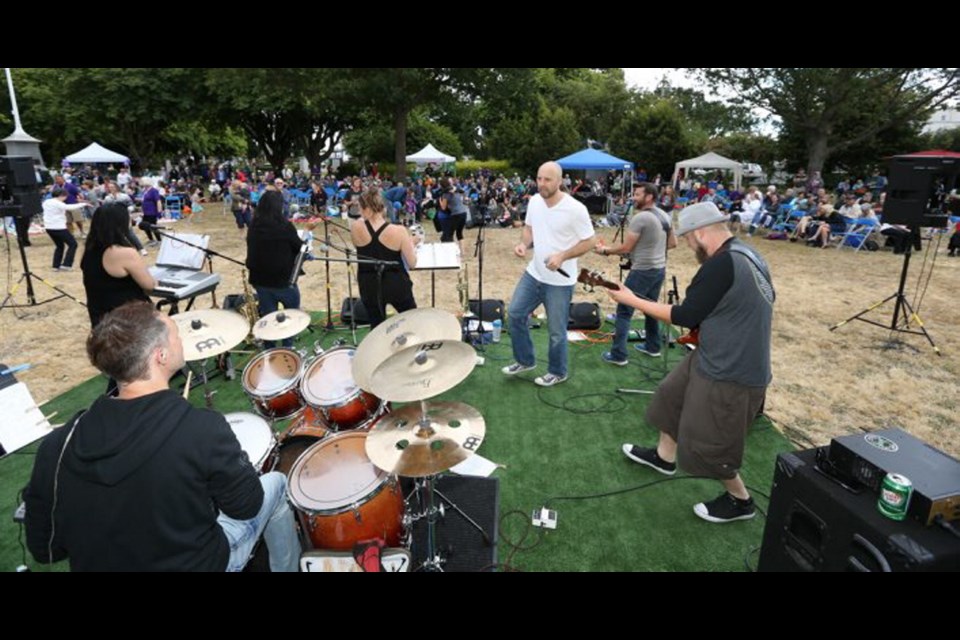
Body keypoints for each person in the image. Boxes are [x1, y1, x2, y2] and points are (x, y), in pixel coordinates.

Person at [24, 301, 301, 571]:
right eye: (177, 336)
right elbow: (247, 506)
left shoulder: (57, 446)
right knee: (276, 484)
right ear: (161, 356)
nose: (182, 341)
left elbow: (45, 549)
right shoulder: (202, 430)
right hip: (198, 563)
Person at [608, 202, 775, 523]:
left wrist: (631, 299)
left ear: (700, 232)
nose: (686, 244)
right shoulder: (747, 253)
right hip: (717, 352)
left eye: (687, 238)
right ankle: (663, 457)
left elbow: (685, 316)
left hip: (733, 371)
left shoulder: (720, 264)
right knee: (672, 394)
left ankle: (740, 501)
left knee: (710, 443)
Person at [501, 161, 595, 387]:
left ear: (560, 181)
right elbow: (529, 228)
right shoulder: (534, 201)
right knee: (514, 314)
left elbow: (590, 241)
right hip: (534, 273)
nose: (541, 184)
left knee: (556, 331)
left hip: (560, 282)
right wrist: (523, 244)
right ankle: (525, 360)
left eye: (547, 180)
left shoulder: (575, 209)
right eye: (539, 178)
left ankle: (557, 371)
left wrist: (562, 256)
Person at [595, 182, 676, 364]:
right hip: (659, 269)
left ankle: (618, 355)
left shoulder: (641, 218)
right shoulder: (665, 215)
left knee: (624, 311)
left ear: (649, 197)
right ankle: (653, 347)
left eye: (637, 194)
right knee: (650, 308)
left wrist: (605, 251)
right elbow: (672, 243)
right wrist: (651, 250)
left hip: (642, 271)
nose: (633, 197)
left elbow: (626, 247)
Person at [246, 189, 308, 348]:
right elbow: (300, 248)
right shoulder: (285, 226)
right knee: (291, 316)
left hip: (260, 281)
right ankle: (287, 347)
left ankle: (270, 350)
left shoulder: (253, 226)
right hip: (283, 282)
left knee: (268, 319)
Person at [350, 188, 419, 328]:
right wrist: (411, 242)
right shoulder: (399, 231)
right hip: (396, 283)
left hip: (369, 284)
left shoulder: (355, 227)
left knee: (377, 328)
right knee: (412, 323)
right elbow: (412, 263)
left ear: (364, 208)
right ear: (383, 207)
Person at [81, 204, 156, 329]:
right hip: (128, 320)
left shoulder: (89, 248)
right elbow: (149, 286)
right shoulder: (123, 252)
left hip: (100, 318)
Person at [42, 187, 88, 271]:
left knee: (59, 246)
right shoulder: (57, 203)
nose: (66, 198)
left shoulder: (46, 202)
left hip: (49, 228)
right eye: (65, 196)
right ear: (61, 195)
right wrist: (84, 204)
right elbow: (69, 207)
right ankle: (66, 264)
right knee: (73, 244)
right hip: (58, 228)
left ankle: (55, 266)